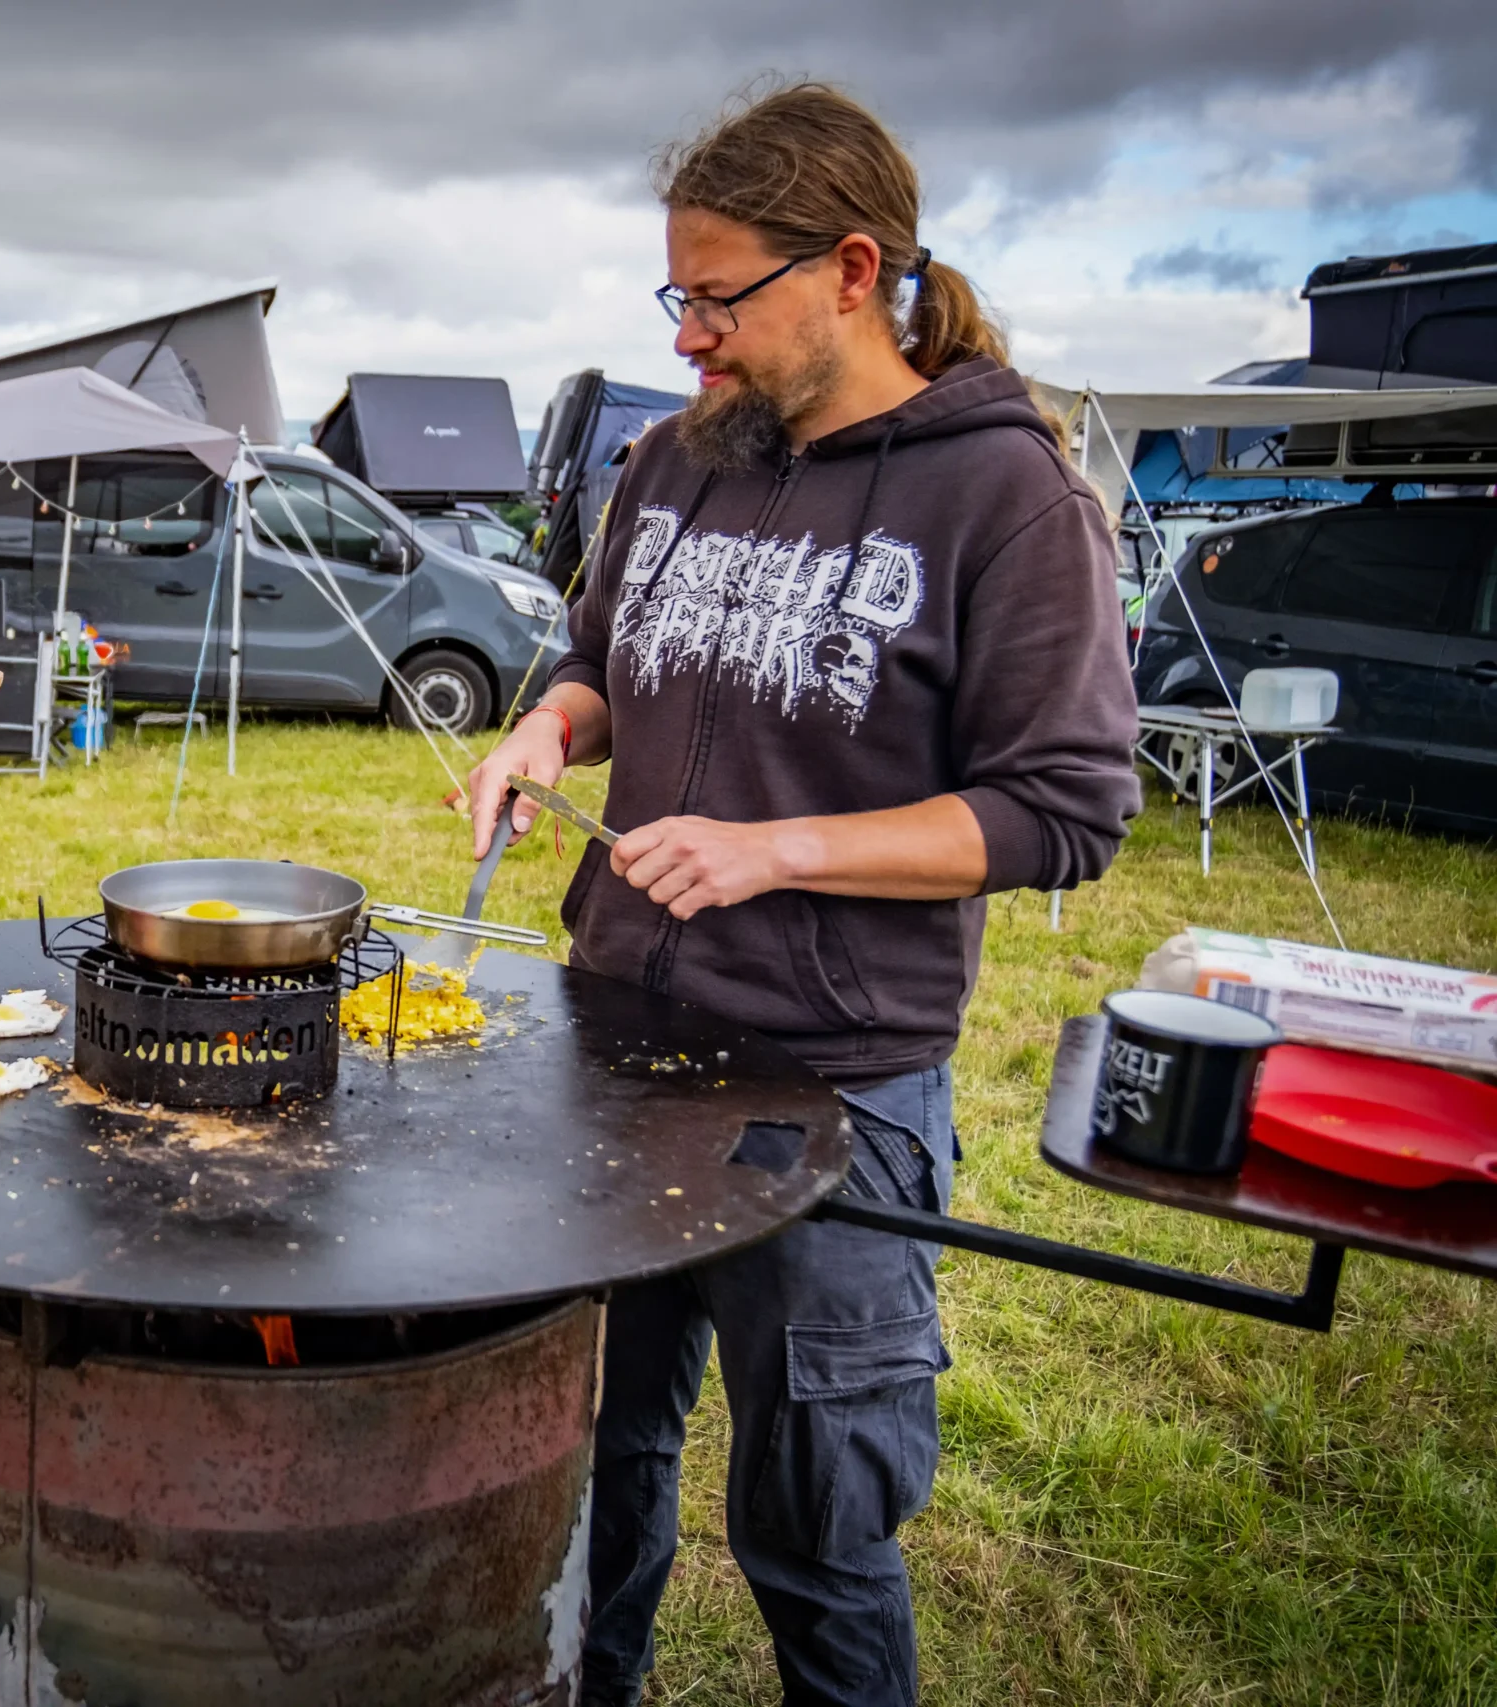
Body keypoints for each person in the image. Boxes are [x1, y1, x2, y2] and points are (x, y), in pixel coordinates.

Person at [465, 83, 1141, 1707]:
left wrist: (782, 849)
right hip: (616, 1042)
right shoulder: (670, 464)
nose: (687, 336)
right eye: (672, 297)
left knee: (815, 1524)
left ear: (852, 269)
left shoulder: (1003, 496)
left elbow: (1067, 808)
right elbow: (596, 662)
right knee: (590, 1465)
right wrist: (543, 727)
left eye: (717, 297)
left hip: (829, 1084)